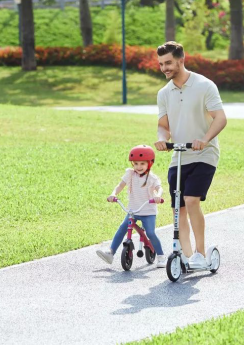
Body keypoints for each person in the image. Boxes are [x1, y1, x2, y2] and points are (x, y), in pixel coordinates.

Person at [154, 41, 227, 269]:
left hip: (204, 154)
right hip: (179, 155)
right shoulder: (164, 93)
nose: (164, 68)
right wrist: (161, 138)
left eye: (168, 63)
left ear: (181, 60)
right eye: (161, 64)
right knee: (178, 208)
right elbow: (164, 126)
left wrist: (204, 140)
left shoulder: (204, 85)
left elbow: (220, 118)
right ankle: (184, 256)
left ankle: (200, 253)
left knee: (191, 200)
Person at [96, 145, 166, 268]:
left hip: (148, 211)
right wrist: (113, 194)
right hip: (133, 210)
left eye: (142, 164)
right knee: (123, 228)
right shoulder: (130, 174)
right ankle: (110, 253)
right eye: (136, 164)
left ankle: (161, 256)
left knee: (150, 233)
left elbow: (159, 188)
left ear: (149, 164)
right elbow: (120, 185)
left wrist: (158, 196)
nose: (138, 167)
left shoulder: (152, 178)